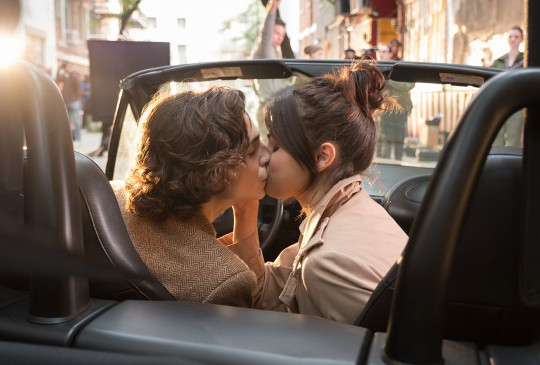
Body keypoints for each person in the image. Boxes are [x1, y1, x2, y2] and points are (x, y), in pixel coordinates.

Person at [229, 62, 408, 323]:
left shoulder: (326, 262)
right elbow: (268, 294)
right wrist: (245, 208)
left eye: (276, 146)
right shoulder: (349, 210)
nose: (265, 155)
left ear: (322, 156)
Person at [113, 87, 271, 307]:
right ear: (216, 175)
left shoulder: (108, 195)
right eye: (253, 151)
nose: (268, 155)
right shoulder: (225, 283)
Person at [251, 0, 289, 143]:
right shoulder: (265, 49)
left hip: (274, 107)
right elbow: (265, 32)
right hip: (268, 108)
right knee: (269, 149)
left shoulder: (274, 53)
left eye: (283, 35)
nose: (280, 37)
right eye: (277, 33)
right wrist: (273, 7)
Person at [377, 43, 414, 160]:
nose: (381, 54)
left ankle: (398, 160)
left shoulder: (400, 66)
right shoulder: (378, 68)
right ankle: (387, 160)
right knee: (385, 136)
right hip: (384, 107)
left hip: (401, 107)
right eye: (380, 51)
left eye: (384, 51)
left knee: (399, 135)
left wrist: (388, 81)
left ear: (390, 53)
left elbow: (409, 84)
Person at [491, 26, 524, 147]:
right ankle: (496, 164)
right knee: (496, 138)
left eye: (516, 37)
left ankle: (512, 166)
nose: (513, 39)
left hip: (517, 104)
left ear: (521, 39)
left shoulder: (525, 60)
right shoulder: (498, 61)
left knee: (514, 138)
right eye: (510, 36)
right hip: (499, 102)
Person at [56, 62, 83, 143]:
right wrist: (59, 69)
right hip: (66, 101)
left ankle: (77, 138)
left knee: (76, 121)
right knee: (67, 121)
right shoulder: (64, 75)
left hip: (74, 101)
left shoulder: (75, 74)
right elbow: (57, 80)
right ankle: (70, 139)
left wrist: (69, 72)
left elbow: (77, 81)